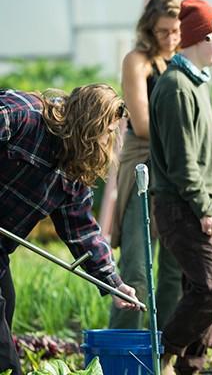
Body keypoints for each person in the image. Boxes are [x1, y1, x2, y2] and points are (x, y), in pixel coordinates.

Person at [0, 85, 142, 374]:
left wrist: (114, 284)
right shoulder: (23, 115)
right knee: (3, 355)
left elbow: (83, 233)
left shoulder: (73, 172)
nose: (109, 140)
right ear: (89, 124)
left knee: (6, 306)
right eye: (107, 131)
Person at [150, 0, 212, 375]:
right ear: (201, 38)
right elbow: (183, 163)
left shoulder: (196, 82)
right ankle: (162, 354)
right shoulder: (178, 86)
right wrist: (204, 209)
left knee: (201, 289)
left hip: (195, 203)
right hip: (181, 206)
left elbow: (202, 153)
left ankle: (189, 366)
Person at [109, 0, 183, 331]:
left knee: (175, 269)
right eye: (162, 31)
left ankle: (163, 355)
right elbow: (141, 124)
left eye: (176, 31)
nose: (170, 38)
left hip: (179, 171)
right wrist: (190, 138)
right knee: (137, 269)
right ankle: (120, 354)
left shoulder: (183, 61)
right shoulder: (137, 60)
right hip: (146, 169)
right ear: (148, 30)